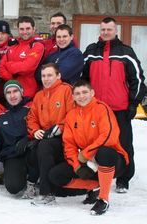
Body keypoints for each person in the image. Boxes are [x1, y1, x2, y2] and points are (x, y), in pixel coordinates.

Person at [82, 17, 146, 193]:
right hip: (96, 109)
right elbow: (83, 79)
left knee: (123, 144)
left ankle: (123, 179)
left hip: (119, 110)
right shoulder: (91, 51)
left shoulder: (126, 52)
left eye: (109, 29)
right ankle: (97, 176)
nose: (106, 32)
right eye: (103, 29)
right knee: (96, 143)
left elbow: (138, 80)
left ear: (115, 31)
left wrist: (133, 103)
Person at [48, 80, 129, 215]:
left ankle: (103, 199)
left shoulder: (102, 108)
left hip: (112, 160)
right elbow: (69, 144)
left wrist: (85, 154)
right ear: (73, 97)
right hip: (89, 162)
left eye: (85, 92)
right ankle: (95, 186)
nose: (81, 96)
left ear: (92, 93)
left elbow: (108, 136)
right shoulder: (71, 115)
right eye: (77, 93)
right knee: (56, 175)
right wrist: (76, 165)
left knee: (104, 152)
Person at [25, 63, 75, 203]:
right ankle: (32, 184)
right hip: (46, 136)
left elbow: (74, 113)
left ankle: (47, 193)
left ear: (58, 76)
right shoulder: (39, 95)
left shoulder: (66, 90)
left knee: (44, 146)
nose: (46, 79)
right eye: (43, 76)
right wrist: (35, 130)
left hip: (65, 138)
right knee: (34, 147)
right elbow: (32, 117)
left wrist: (60, 127)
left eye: (49, 75)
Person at [0, 80, 30, 195]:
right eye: (8, 93)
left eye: (15, 91)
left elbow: (40, 129)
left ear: (21, 92)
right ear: (5, 96)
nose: (12, 95)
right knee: (13, 187)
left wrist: (28, 139)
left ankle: (35, 179)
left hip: (30, 152)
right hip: (13, 155)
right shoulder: (1, 117)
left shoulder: (31, 109)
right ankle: (15, 175)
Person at [0, 16, 44, 99]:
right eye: (22, 29)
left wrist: (9, 65)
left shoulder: (37, 46)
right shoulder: (12, 46)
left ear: (33, 29)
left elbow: (27, 67)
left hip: (27, 94)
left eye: (28, 28)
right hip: (10, 93)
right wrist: (12, 78)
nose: (25, 32)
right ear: (18, 30)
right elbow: (1, 68)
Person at [0, 20, 17, 103]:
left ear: (8, 34)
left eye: (3, 33)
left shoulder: (14, 45)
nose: (0, 36)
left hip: (11, 89)